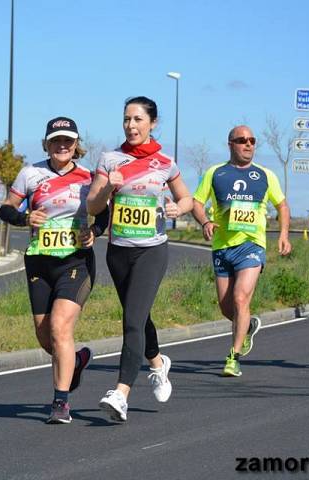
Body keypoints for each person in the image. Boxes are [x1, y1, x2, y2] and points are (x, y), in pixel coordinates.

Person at [87, 96, 193, 422]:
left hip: (152, 250)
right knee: (139, 316)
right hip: (118, 252)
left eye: (137, 120)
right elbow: (93, 205)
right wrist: (108, 189)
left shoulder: (165, 162)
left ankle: (121, 393)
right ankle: (158, 362)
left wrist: (180, 208)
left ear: (152, 123)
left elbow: (186, 196)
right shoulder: (110, 159)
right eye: (126, 120)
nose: (131, 126)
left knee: (132, 320)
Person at [0, 117, 109, 424]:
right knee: (45, 336)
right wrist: (24, 218)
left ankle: (61, 402)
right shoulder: (30, 173)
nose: (62, 146)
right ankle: (75, 361)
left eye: (68, 141)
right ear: (47, 143)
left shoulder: (89, 177)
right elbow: (5, 208)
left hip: (75, 261)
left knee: (61, 328)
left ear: (76, 145)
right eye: (56, 141)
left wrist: (95, 231)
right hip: (39, 261)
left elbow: (104, 214)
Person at [193, 125, 292, 377]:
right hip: (222, 246)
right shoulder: (215, 173)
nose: (248, 144)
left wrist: (283, 235)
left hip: (251, 245)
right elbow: (196, 202)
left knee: (240, 299)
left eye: (252, 140)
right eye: (242, 140)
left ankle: (233, 357)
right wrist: (205, 221)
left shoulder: (266, 175)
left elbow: (281, 206)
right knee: (227, 308)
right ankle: (247, 327)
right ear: (230, 144)